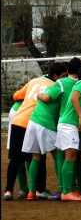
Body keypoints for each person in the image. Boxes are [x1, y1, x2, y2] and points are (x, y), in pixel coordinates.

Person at [3, 62, 68, 201]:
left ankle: (9, 191)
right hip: (37, 120)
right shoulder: (57, 86)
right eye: (64, 75)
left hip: (18, 119)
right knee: (41, 156)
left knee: (15, 158)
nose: (65, 78)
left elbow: (16, 96)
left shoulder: (34, 80)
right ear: (55, 76)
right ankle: (42, 190)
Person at [36, 57, 81, 200]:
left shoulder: (61, 83)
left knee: (63, 155)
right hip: (72, 124)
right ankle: (70, 190)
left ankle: (64, 189)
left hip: (63, 122)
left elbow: (48, 98)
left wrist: (38, 95)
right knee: (74, 156)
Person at [56, 66, 81, 201]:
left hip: (66, 124)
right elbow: (74, 98)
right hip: (68, 125)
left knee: (70, 156)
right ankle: (66, 192)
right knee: (70, 156)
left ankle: (69, 189)